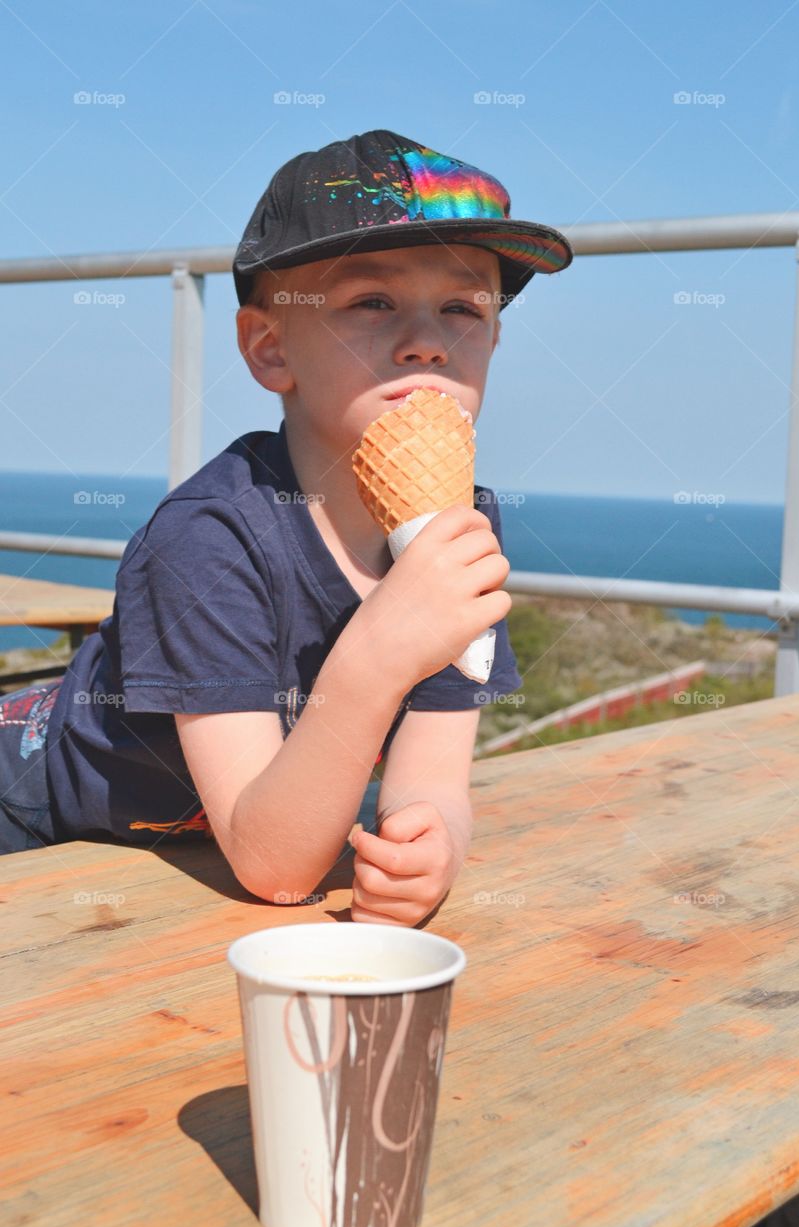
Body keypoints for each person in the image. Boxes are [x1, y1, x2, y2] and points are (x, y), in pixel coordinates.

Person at [0, 128, 572, 925]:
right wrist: (378, 651)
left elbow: (433, 777)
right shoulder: (210, 536)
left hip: (206, 846)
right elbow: (275, 867)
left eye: (462, 307)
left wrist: (428, 843)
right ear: (271, 349)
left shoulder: (459, 526)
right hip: (38, 824)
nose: (427, 343)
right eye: (372, 302)